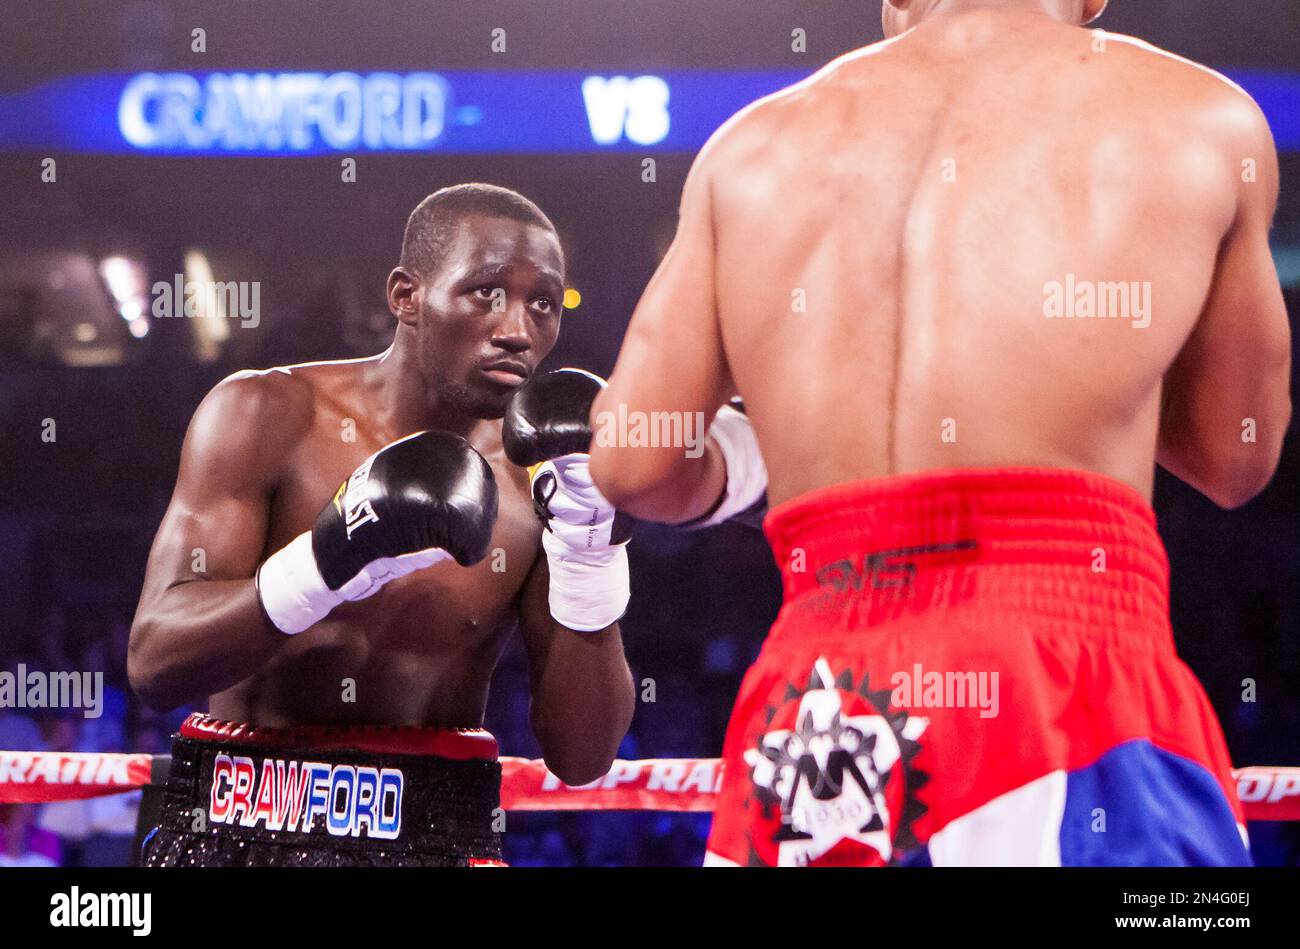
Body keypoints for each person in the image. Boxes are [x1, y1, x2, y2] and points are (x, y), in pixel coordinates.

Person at [589, 0, 1291, 865]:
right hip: (1062, 691)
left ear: (894, 3)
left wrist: (762, 445)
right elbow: (1235, 454)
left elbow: (634, 462)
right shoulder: (1200, 116)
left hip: (819, 716)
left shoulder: (749, 149)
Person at [129, 184, 635, 866]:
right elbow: (155, 662)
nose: (517, 329)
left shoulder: (544, 479)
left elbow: (583, 757)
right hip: (235, 828)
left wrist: (590, 551)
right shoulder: (266, 413)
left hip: (437, 839)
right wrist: (326, 562)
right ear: (406, 296)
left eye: (542, 303)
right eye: (486, 293)